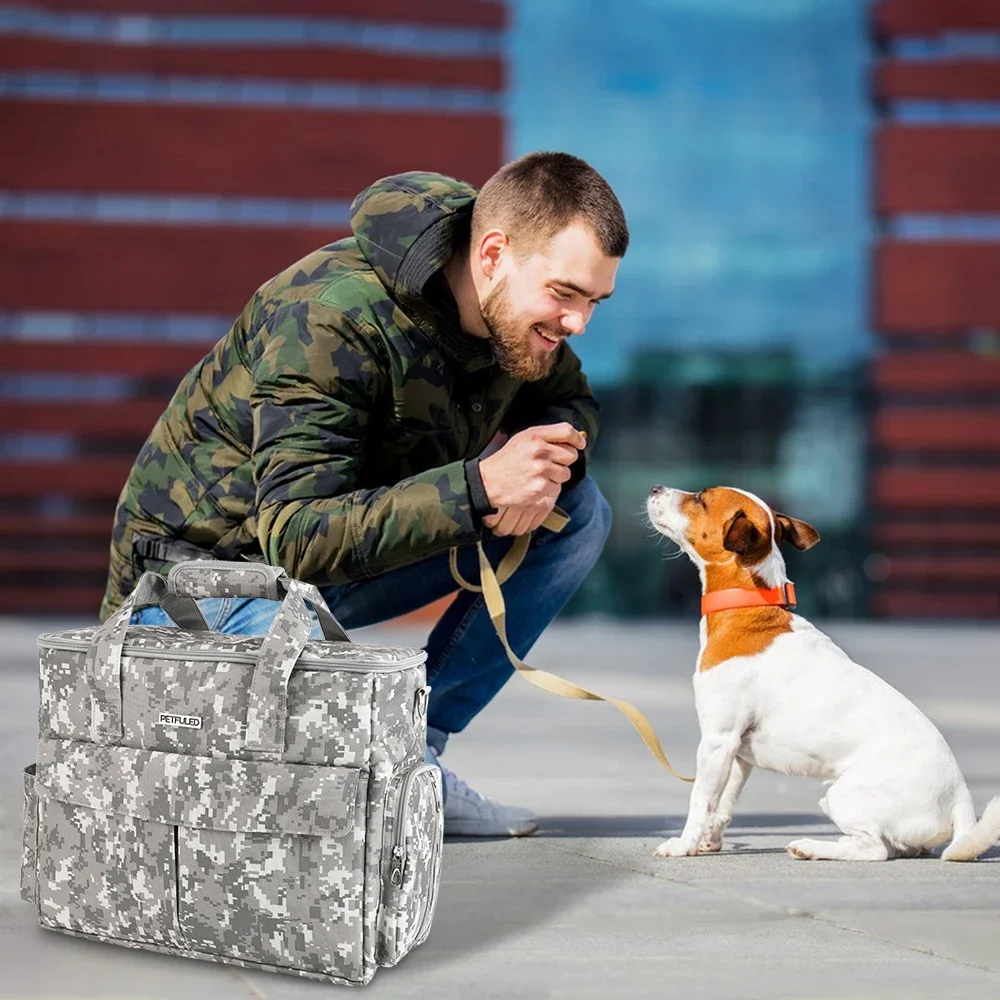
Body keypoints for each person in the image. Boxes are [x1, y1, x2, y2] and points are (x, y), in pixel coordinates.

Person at [100, 151, 628, 837]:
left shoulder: (519, 323)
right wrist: (477, 487)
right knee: (313, 806)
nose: (578, 322)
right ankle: (374, 762)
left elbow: (571, 401)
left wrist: (545, 462)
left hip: (316, 577)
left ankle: (416, 754)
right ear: (494, 253)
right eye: (565, 294)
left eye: (595, 301)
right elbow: (294, 535)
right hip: (200, 594)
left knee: (576, 514)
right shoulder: (329, 317)